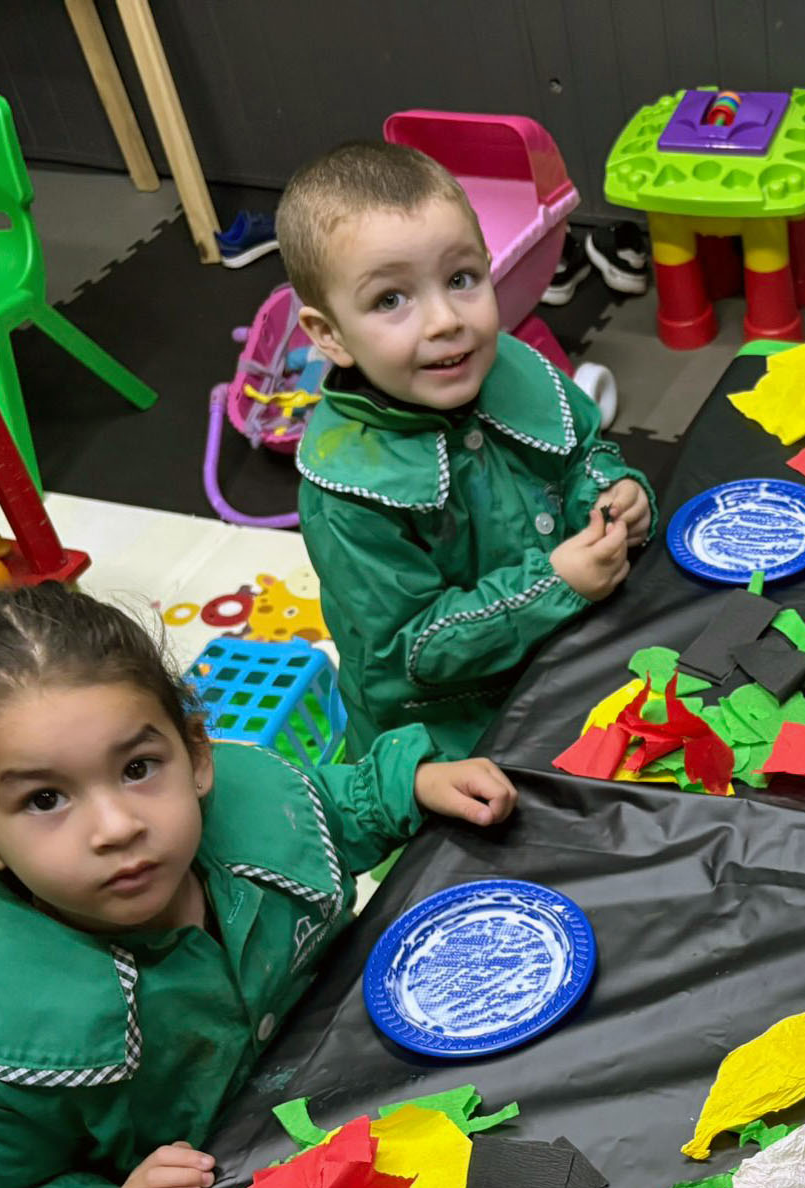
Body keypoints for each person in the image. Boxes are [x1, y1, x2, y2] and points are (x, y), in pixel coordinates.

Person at [0, 584, 519, 1188]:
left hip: (360, 1101)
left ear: (196, 753)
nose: (118, 827)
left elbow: (326, 804)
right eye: (46, 798)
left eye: (140, 767)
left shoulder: (251, 795)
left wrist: (404, 786)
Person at [277, 140, 655, 757]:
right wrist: (555, 585)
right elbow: (413, 647)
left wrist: (615, 495)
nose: (445, 320)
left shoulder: (514, 365)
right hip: (448, 733)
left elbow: (585, 451)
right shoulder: (347, 492)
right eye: (390, 300)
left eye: (461, 279)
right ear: (329, 335)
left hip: (572, 657)